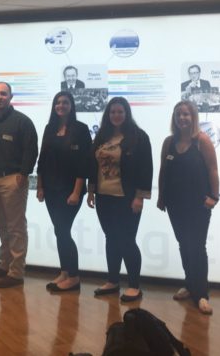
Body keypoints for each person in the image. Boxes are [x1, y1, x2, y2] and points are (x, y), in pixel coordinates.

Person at [87, 96, 152, 302]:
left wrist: (140, 197)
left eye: (120, 112)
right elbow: (92, 165)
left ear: (127, 114)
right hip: (104, 197)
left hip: (127, 198)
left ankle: (134, 285)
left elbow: (146, 169)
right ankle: (113, 281)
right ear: (108, 115)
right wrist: (90, 191)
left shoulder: (138, 137)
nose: (116, 115)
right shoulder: (101, 137)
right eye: (113, 112)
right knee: (111, 239)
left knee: (126, 240)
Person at [157, 101, 219, 314]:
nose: (182, 118)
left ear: (193, 117)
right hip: (175, 203)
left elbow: (213, 169)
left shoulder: (202, 141)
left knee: (197, 247)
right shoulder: (168, 142)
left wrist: (213, 196)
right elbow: (163, 171)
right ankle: (190, 284)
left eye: (186, 114)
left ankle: (201, 294)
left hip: (198, 204)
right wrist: (161, 196)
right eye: (178, 114)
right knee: (184, 244)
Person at [0, 82, 38, 288]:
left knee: (15, 227)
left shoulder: (23, 122)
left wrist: (23, 174)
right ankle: (4, 265)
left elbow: (31, 150)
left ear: (11, 96)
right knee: (2, 225)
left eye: (3, 93)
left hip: (12, 180)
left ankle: (16, 272)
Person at [36, 91, 92, 292]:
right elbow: (42, 160)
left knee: (63, 230)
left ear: (71, 105)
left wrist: (77, 192)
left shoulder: (81, 129)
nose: (61, 105)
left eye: (65, 102)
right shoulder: (49, 128)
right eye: (57, 102)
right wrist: (40, 186)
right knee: (60, 232)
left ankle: (74, 276)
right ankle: (65, 272)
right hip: (50, 188)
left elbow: (84, 164)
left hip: (70, 190)